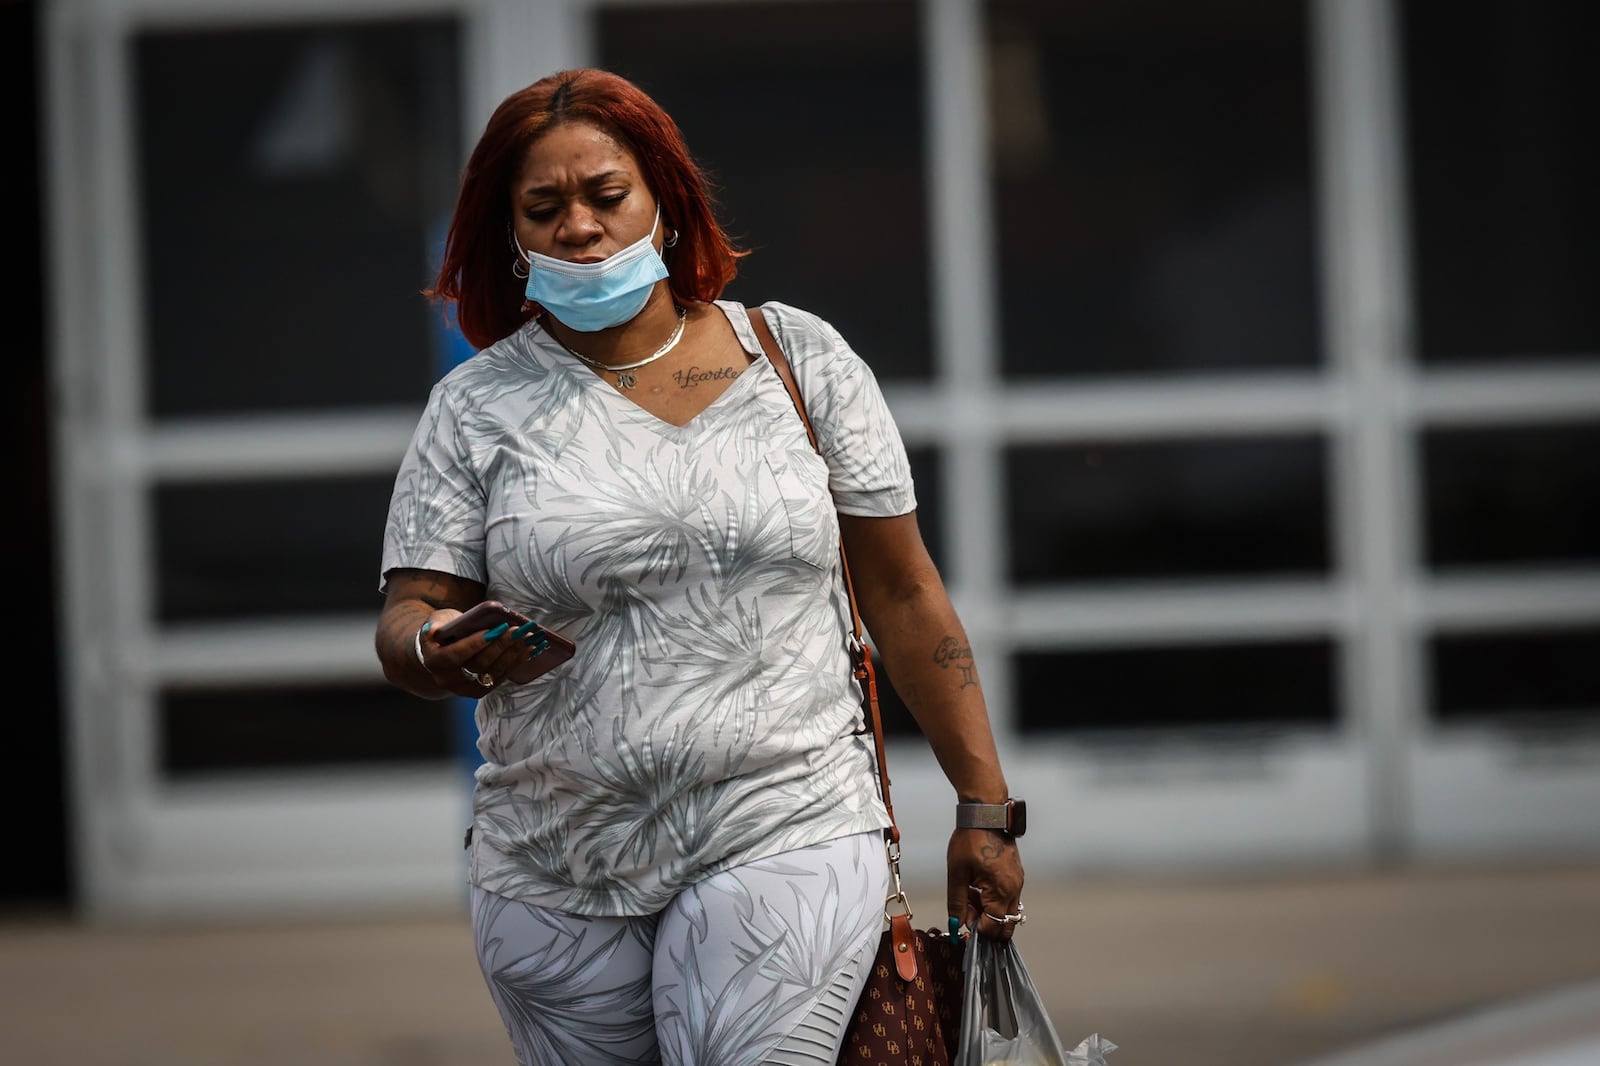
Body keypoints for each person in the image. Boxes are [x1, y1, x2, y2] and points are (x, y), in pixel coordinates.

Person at [374, 67, 1025, 1066]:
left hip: (785, 817)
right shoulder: (474, 408)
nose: (579, 227)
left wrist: (984, 808)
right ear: (512, 237)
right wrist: (432, 647)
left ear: (665, 204)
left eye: (605, 195)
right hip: (553, 868)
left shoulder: (797, 359)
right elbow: (411, 609)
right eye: (543, 209)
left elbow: (903, 593)